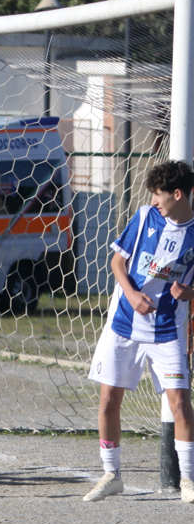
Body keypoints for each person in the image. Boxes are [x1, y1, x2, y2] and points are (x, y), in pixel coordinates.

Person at [83, 160, 194, 503]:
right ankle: (111, 474)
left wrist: (189, 292)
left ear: (178, 194)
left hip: (167, 330)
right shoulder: (145, 217)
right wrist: (131, 295)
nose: (154, 200)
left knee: (180, 403)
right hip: (124, 326)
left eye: (159, 194)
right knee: (108, 400)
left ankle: (188, 481)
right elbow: (117, 262)